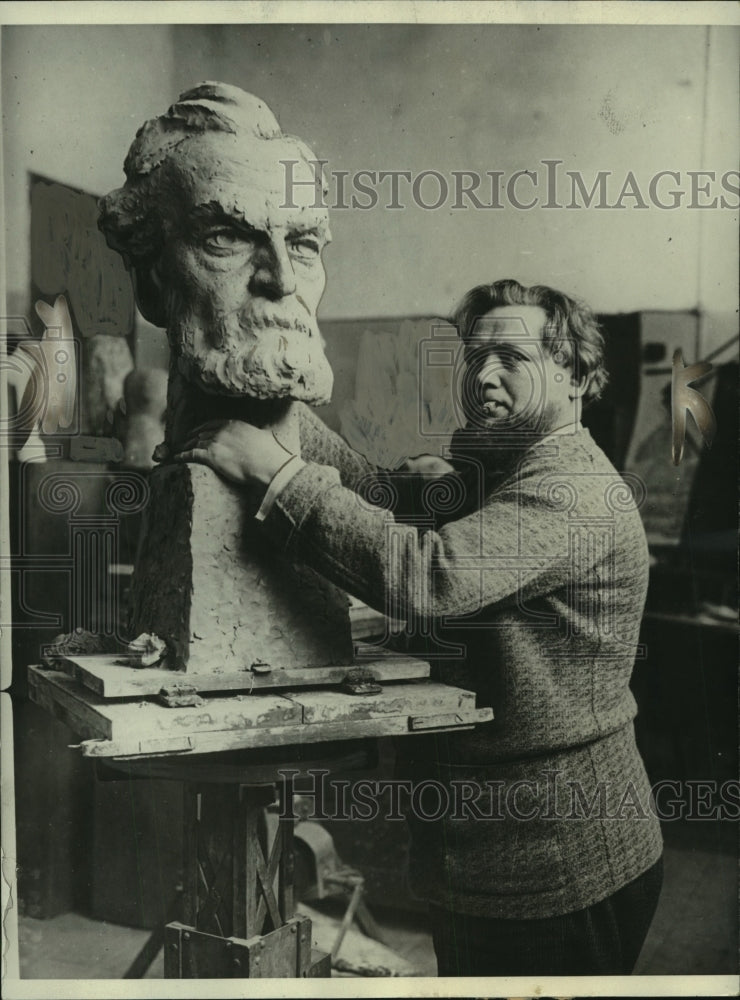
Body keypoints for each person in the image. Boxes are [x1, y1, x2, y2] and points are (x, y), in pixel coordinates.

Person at [178, 277, 663, 977]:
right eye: (474, 356)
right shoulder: (508, 469)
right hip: (492, 856)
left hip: (558, 868)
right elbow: (373, 492)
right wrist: (287, 419)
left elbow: (428, 579)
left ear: (577, 375)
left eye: (511, 358)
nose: (483, 376)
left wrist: (278, 474)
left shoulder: (569, 489)